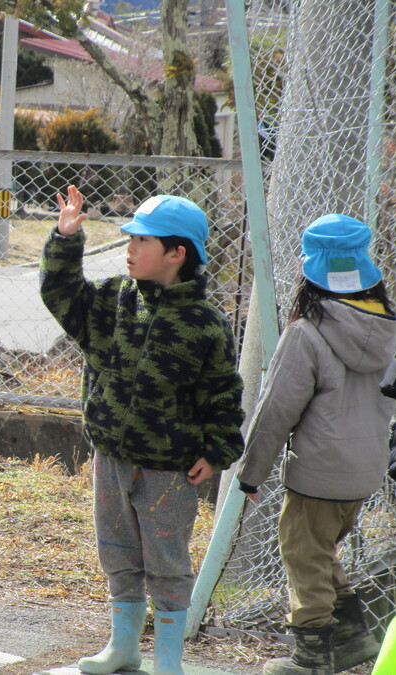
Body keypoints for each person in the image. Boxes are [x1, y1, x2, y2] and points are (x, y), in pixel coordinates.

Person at [40, 187, 245, 675]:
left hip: (170, 471)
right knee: (117, 553)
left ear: (177, 254)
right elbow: (60, 294)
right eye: (129, 238)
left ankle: (168, 660)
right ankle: (123, 647)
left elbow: (222, 394)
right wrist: (66, 238)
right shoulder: (112, 299)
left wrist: (216, 451)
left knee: (167, 561)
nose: (129, 249)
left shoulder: (204, 323)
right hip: (111, 459)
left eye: (142, 241)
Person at [236, 213, 396, 675]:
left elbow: (275, 413)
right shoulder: (390, 326)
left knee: (303, 557)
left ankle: (310, 660)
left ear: (312, 271)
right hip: (366, 470)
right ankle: (350, 641)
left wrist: (251, 473)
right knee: (321, 552)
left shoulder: (306, 332)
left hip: (318, 473)